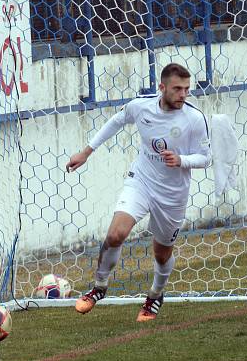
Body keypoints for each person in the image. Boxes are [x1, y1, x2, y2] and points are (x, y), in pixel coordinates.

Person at [65, 63, 211, 322]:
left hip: (172, 194)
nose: (183, 94)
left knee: (161, 253)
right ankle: (99, 287)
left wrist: (182, 160)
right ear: (162, 87)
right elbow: (116, 121)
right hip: (141, 181)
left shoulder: (194, 118)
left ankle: (156, 294)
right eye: (177, 89)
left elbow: (206, 158)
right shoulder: (141, 106)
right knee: (116, 234)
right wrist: (86, 152)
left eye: (187, 89)